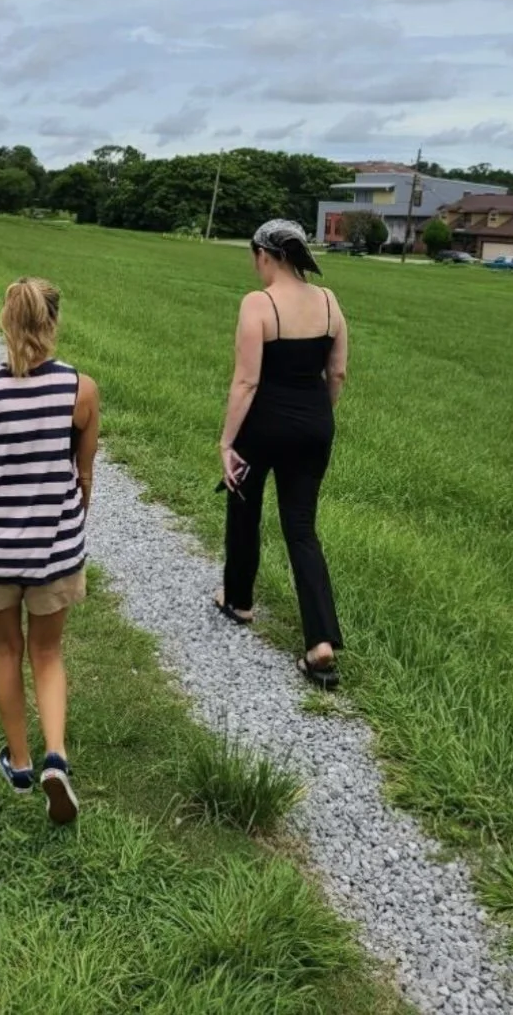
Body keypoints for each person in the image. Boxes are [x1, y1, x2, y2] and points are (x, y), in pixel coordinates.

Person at [0, 277, 100, 822]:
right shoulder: (82, 390)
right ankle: (57, 755)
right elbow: (84, 478)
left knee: (7, 651)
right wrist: (70, 527)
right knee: (48, 654)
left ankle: (22, 763)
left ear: (6, 322)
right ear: (53, 323)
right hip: (54, 547)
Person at [215, 219, 348, 689]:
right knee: (301, 529)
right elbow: (337, 375)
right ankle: (321, 642)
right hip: (315, 426)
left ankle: (239, 600)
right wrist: (315, 417)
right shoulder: (330, 301)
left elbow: (247, 381)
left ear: (265, 255)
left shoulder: (260, 303)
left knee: (244, 507)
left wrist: (227, 442)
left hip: (263, 427)